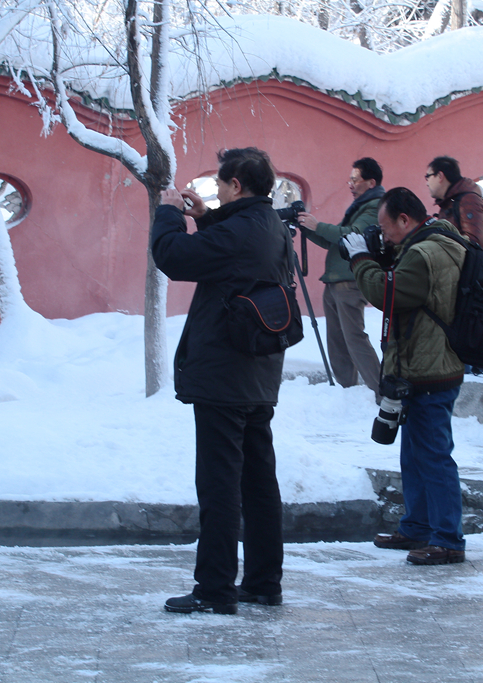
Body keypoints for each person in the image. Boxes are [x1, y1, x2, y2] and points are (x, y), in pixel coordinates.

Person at [152, 148, 288, 614]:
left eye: (218, 186)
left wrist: (169, 213)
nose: (216, 192)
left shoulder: (239, 231)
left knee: (219, 486)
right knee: (258, 483)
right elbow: (235, 256)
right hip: (257, 372)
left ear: (236, 186)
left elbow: (172, 256)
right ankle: (264, 582)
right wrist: (206, 217)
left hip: (225, 375)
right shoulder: (270, 224)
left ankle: (214, 590)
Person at [341, 187, 468, 565]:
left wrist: (361, 258)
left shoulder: (424, 253)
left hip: (430, 369)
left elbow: (387, 293)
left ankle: (448, 540)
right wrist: (381, 253)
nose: (383, 235)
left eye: (385, 227)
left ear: (404, 220)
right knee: (414, 454)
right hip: (425, 366)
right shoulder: (438, 242)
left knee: (434, 456)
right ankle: (416, 527)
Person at [297, 158, 383, 394]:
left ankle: (381, 390)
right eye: (350, 180)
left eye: (355, 179)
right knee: (337, 341)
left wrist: (317, 226)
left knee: (354, 337)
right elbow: (333, 241)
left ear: (371, 182)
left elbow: (352, 235)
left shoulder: (374, 206)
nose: (350, 184)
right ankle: (347, 391)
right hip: (336, 280)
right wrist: (306, 226)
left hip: (350, 281)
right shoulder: (359, 207)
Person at [424, 156, 483, 248]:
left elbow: (474, 243)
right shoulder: (449, 202)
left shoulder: (469, 200)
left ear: (440, 176)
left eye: (428, 177)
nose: (427, 183)